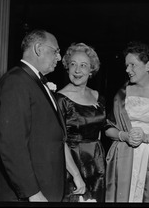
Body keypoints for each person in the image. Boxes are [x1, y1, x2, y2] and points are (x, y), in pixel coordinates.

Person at [0, 29, 86, 202]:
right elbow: (12, 145)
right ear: (38, 49)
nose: (59, 58)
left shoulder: (34, 82)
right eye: (56, 51)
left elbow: (55, 137)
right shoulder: (15, 82)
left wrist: (74, 174)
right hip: (31, 194)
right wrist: (33, 193)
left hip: (47, 188)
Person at [105, 41, 149, 202]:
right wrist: (124, 136)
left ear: (148, 65)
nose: (127, 70)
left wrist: (145, 137)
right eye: (126, 66)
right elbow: (108, 128)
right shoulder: (122, 94)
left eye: (132, 65)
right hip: (124, 157)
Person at [56, 43, 106, 202]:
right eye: (73, 64)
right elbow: (59, 140)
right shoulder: (60, 99)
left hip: (96, 164)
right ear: (67, 67)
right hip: (71, 165)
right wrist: (76, 175)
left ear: (92, 69)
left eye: (83, 65)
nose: (77, 70)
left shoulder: (98, 96)